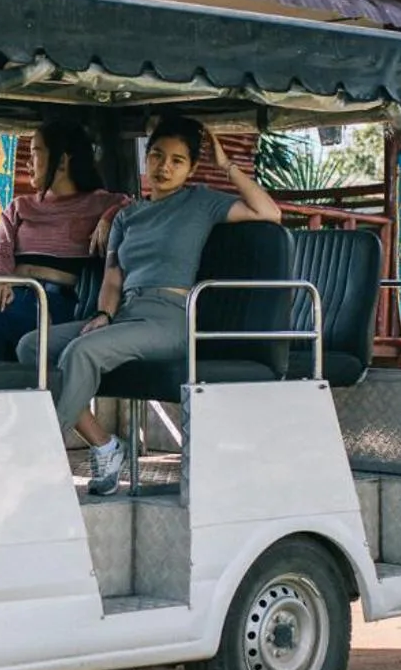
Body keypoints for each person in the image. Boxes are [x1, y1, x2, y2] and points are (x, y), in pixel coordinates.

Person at [25, 115, 281, 495]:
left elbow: (269, 212)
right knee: (32, 345)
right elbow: (113, 277)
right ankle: (104, 445)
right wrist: (103, 314)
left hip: (170, 320)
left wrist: (227, 165)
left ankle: (36, 462)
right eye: (157, 156)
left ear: (192, 168)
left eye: (177, 161)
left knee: (82, 353)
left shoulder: (201, 202)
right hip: (127, 314)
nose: (164, 167)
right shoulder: (128, 216)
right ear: (147, 159)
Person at [0, 123, 130, 360]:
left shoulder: (100, 203)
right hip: (12, 294)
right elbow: (0, 249)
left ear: (62, 161)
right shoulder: (19, 207)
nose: (27, 163)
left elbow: (132, 207)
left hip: (57, 303)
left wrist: (107, 218)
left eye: (34, 152)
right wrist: (0, 278)